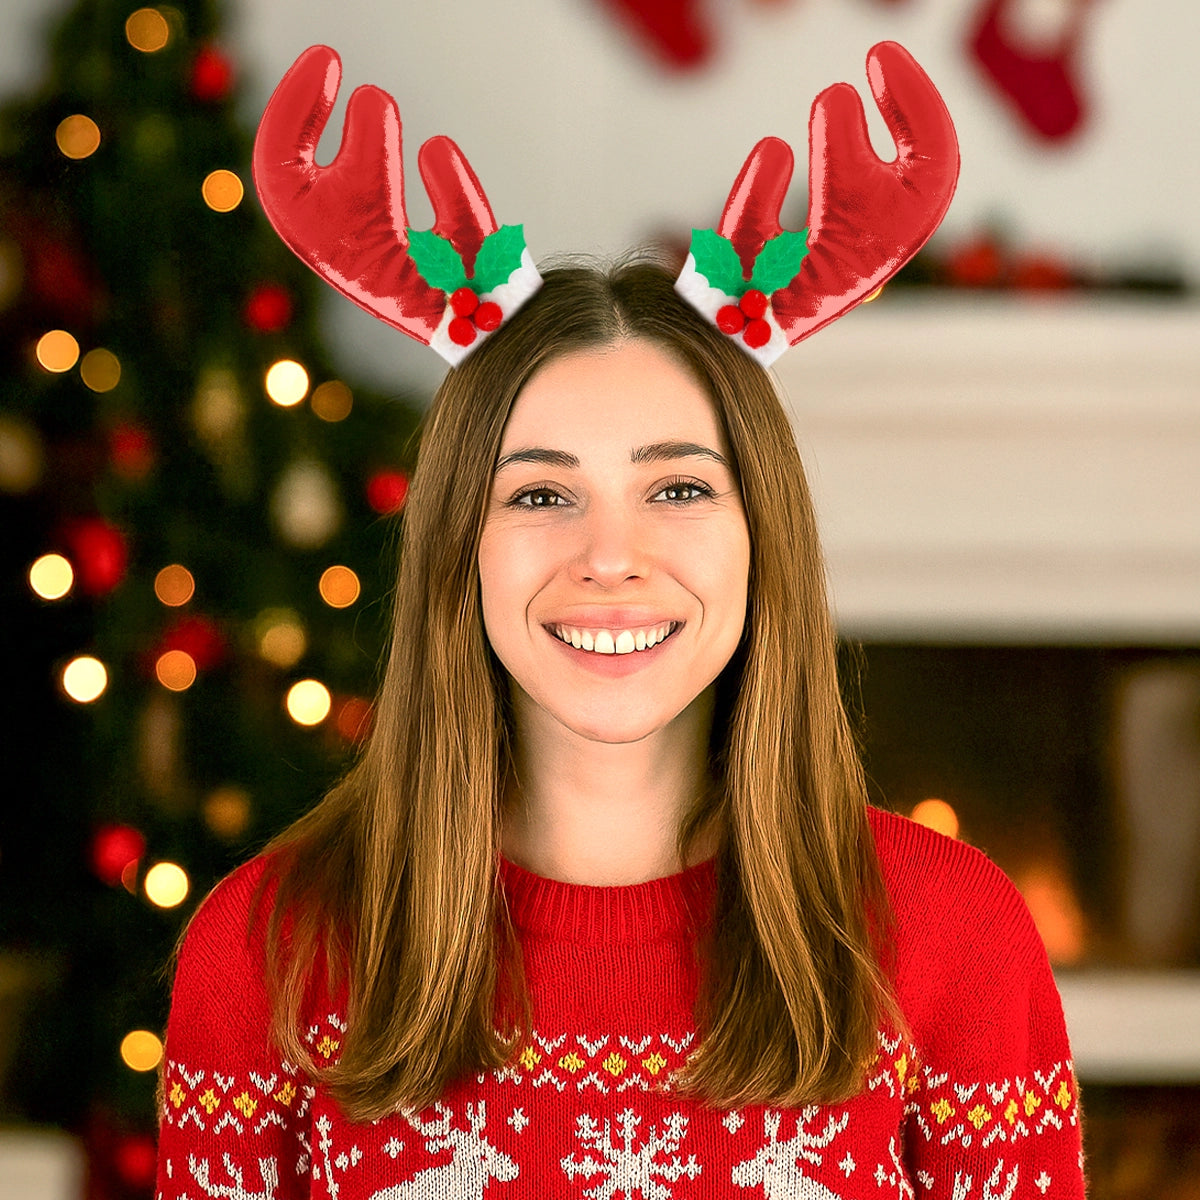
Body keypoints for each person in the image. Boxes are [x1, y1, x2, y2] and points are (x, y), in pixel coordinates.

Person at [154, 43, 1087, 1200]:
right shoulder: (267, 950)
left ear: (763, 535)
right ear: (458, 549)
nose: (610, 556)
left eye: (679, 488)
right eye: (540, 495)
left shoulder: (953, 936)